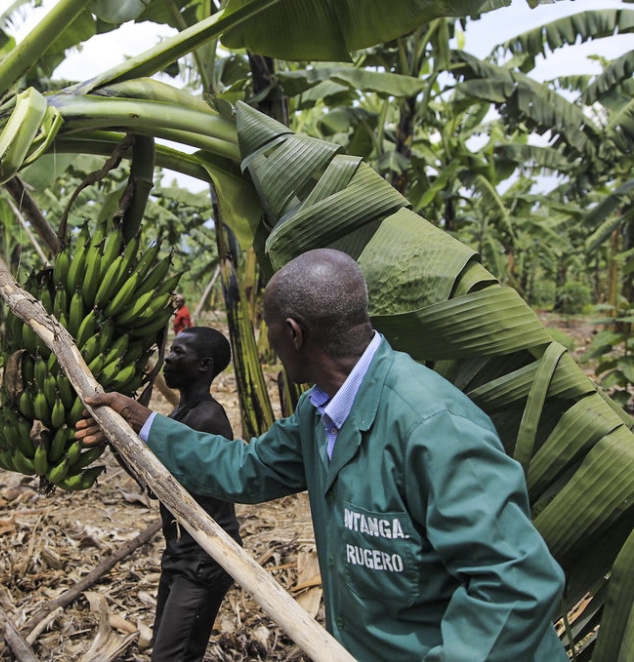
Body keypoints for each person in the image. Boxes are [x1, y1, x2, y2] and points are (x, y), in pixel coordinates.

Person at [76, 248, 568, 661]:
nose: (269, 346)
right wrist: (144, 422)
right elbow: (246, 468)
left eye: (269, 330)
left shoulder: (433, 426)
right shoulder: (319, 412)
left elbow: (515, 586)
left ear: (294, 333)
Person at [150, 326, 240, 662]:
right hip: (180, 553)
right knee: (167, 650)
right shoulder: (182, 413)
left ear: (204, 365)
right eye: (169, 351)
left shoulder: (207, 418)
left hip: (204, 558)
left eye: (177, 353)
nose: (168, 360)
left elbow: (154, 473)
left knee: (171, 657)